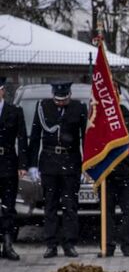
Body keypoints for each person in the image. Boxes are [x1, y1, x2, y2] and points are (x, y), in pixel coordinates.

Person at [27, 82, 87, 258]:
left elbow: (85, 137)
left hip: (71, 162)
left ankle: (69, 244)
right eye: (58, 99)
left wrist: (87, 165)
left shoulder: (79, 108)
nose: (61, 102)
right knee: (50, 206)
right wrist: (32, 164)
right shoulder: (43, 107)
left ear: (69, 95)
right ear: (53, 95)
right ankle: (51, 244)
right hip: (49, 162)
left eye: (64, 99)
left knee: (70, 207)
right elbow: (35, 136)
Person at [102, 99, 129, 257]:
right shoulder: (99, 118)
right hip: (106, 174)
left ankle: (127, 245)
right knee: (107, 213)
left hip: (127, 173)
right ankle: (107, 245)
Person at [0, 77, 28, 260]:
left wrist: (22, 165)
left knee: (8, 207)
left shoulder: (14, 111)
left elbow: (22, 139)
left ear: (3, 91)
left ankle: (7, 244)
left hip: (8, 162)